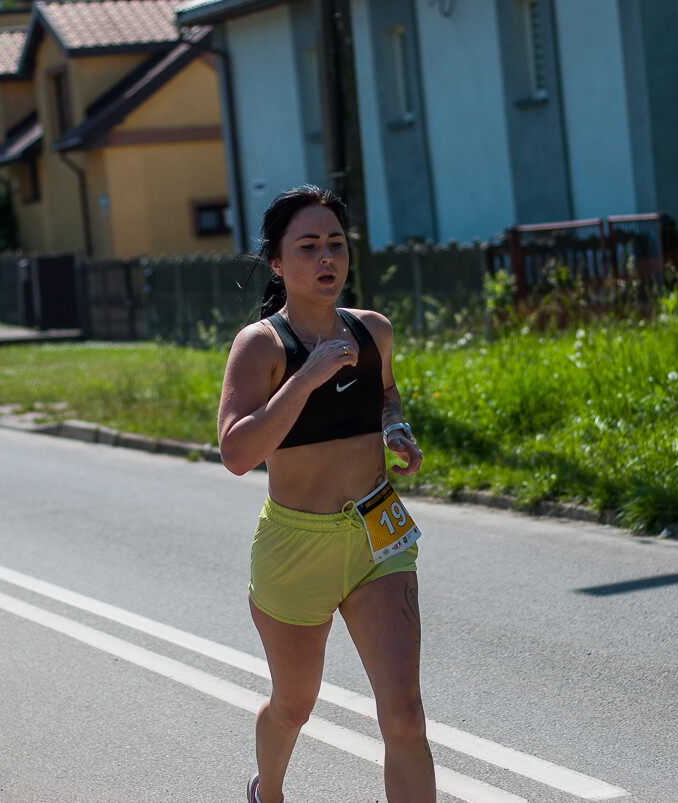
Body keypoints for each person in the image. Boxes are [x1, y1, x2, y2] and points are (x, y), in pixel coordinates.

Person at [217, 186, 435, 803]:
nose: (326, 257)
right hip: (295, 545)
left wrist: (395, 426)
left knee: (406, 715)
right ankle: (268, 792)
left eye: (335, 243)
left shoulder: (372, 332)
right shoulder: (262, 345)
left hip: (377, 534)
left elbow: (385, 391)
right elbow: (236, 453)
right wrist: (306, 378)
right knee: (294, 705)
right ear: (277, 262)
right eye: (308, 246)